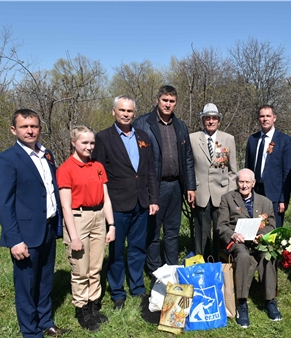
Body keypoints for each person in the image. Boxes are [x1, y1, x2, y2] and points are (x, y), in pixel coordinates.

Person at [0, 109, 68, 338]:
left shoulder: (46, 154)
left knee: (45, 280)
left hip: (47, 227)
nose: (30, 130)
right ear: (14, 130)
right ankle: (32, 334)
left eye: (34, 126)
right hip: (25, 234)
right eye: (24, 127)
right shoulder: (7, 159)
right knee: (26, 285)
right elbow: (3, 203)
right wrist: (15, 240)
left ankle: (45, 322)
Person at [92, 96, 159, 310]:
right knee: (117, 249)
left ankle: (137, 287)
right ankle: (117, 292)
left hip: (141, 201)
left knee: (138, 247)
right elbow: (99, 172)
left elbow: (149, 170)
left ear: (134, 113)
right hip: (117, 203)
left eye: (129, 111)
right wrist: (103, 203)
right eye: (122, 110)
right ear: (113, 111)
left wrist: (153, 198)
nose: (126, 114)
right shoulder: (103, 138)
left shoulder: (143, 136)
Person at [57, 126, 115, 331]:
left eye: (92, 143)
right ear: (74, 142)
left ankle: (93, 305)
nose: (89, 147)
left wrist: (111, 225)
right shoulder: (66, 169)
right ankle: (81, 308)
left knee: (95, 267)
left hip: (99, 216)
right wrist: (73, 235)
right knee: (80, 269)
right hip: (78, 218)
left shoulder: (98, 166)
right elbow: (65, 205)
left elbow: (106, 198)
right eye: (84, 143)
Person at [133, 85, 196, 273]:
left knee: (172, 230)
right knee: (152, 231)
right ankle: (155, 270)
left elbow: (188, 158)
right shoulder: (143, 124)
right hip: (154, 186)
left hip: (176, 185)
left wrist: (190, 186)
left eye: (172, 101)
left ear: (175, 103)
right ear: (157, 100)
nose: (168, 104)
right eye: (165, 100)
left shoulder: (180, 126)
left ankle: (172, 267)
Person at [217, 169, 281, 328]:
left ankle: (270, 300)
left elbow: (272, 225)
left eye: (247, 182)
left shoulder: (265, 202)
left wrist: (262, 235)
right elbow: (221, 226)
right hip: (238, 242)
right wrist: (233, 235)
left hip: (258, 240)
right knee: (244, 256)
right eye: (241, 182)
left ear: (253, 183)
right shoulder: (227, 199)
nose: (244, 185)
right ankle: (242, 302)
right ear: (237, 182)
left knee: (269, 255)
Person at [189, 103, 237, 259]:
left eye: (214, 118)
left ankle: (219, 262)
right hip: (200, 193)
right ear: (203, 120)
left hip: (221, 194)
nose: (210, 121)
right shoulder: (192, 139)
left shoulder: (228, 139)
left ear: (219, 120)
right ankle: (200, 262)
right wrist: (191, 189)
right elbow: (189, 166)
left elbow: (233, 170)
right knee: (201, 231)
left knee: (220, 229)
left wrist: (229, 194)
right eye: (207, 118)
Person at [245, 104, 291, 228]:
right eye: (262, 116)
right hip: (255, 191)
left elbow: (287, 172)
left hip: (275, 194)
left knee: (273, 229)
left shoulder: (284, 140)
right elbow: (248, 167)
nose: (265, 119)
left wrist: (283, 198)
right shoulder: (253, 139)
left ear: (274, 118)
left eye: (268, 116)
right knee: (255, 228)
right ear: (258, 119)